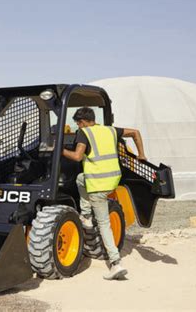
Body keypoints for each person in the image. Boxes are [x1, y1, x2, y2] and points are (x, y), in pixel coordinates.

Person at [62, 107, 146, 280]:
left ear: (83, 122)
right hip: (113, 179)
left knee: (104, 224)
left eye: (78, 123)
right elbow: (135, 133)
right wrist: (141, 155)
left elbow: (78, 157)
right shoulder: (110, 130)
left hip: (97, 183)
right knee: (80, 179)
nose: (77, 126)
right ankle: (85, 214)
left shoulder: (84, 133)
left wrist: (58, 150)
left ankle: (115, 263)